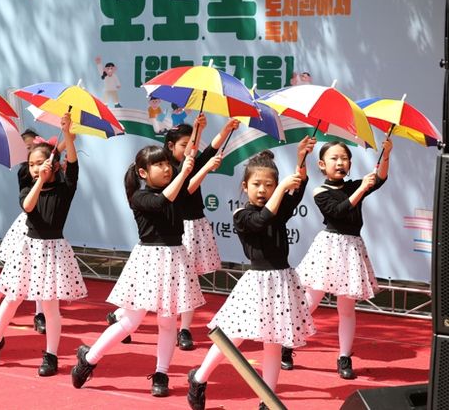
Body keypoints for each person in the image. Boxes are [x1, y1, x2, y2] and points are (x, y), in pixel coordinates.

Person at [186, 140, 316, 410]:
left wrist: (301, 160)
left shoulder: (279, 209)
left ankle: (267, 400)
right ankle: (198, 379)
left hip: (282, 281)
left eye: (269, 185)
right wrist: (282, 188)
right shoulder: (241, 215)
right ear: (245, 186)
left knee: (274, 342)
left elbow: (297, 193)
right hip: (256, 283)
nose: (263, 190)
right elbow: (261, 220)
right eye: (257, 184)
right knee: (232, 337)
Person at [71, 145, 203, 397]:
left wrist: (200, 162)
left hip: (175, 258)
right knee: (131, 321)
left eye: (167, 163)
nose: (166, 168)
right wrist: (184, 174)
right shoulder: (140, 197)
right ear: (143, 173)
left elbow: (189, 182)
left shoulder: (176, 190)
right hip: (149, 260)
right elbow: (162, 201)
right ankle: (88, 359)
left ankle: (161, 374)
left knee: (168, 322)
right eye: (159, 164)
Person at [106, 116, 239, 350]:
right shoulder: (171, 172)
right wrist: (200, 167)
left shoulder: (184, 165)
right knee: (161, 287)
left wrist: (225, 129)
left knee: (188, 282)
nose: (191, 148)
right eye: (184, 144)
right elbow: (187, 188)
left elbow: (209, 150)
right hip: (177, 230)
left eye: (192, 143)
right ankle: (121, 316)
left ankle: (184, 329)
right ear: (170, 147)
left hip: (194, 224)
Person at [0, 114, 86, 376]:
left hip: (54, 251)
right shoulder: (26, 187)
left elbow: (73, 165)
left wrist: (67, 134)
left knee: (50, 306)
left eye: (40, 163)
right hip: (28, 248)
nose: (35, 167)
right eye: (31, 164)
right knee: (12, 299)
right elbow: (28, 206)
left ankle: (51, 355)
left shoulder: (65, 189)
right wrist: (39, 179)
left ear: (54, 164)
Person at [292, 139, 393, 379]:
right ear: (322, 164)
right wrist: (361, 189)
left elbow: (380, 178)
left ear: (350, 163)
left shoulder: (354, 186)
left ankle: (344, 357)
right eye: (334, 158)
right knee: (311, 301)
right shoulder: (320, 192)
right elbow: (339, 211)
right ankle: (288, 342)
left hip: (352, 249)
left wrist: (386, 154)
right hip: (329, 248)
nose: (340, 163)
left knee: (346, 309)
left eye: (344, 158)